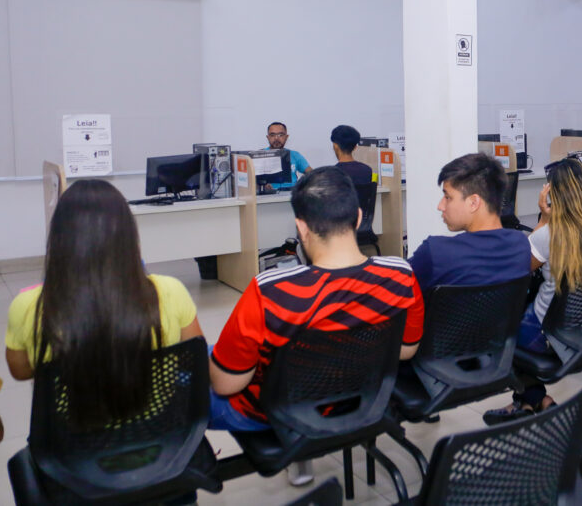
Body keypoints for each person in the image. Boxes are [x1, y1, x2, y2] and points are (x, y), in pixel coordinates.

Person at [209, 167, 424, 485]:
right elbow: (406, 351)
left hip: (275, 412)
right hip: (362, 399)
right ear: (359, 217)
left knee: (197, 371)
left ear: (301, 227)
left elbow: (226, 386)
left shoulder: (269, 291)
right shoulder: (401, 274)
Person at [5, 180, 204, 426]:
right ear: (128, 235)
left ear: (59, 238)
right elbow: (194, 360)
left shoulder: (29, 306)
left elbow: (21, 371)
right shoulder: (171, 291)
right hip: (157, 437)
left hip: (72, 443)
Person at [483, 158, 582, 424]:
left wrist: (543, 219)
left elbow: (515, 270)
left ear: (556, 195)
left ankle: (529, 401)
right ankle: (533, 400)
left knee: (504, 322)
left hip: (553, 333)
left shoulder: (550, 235)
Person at [407, 153, 531, 292]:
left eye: (448, 197)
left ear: (473, 203)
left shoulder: (435, 253)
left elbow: (396, 287)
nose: (440, 206)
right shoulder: (520, 245)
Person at [265, 121, 313, 191]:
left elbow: (312, 174)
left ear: (286, 137)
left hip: (292, 194)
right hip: (268, 196)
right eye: (272, 135)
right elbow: (251, 181)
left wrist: (302, 186)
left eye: (280, 135)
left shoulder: (294, 155)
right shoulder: (259, 156)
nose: (276, 138)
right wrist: (260, 187)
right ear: (268, 137)